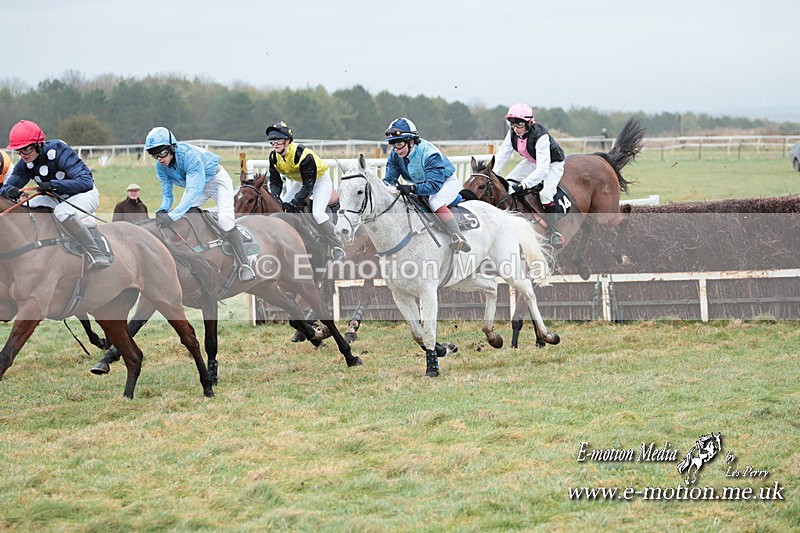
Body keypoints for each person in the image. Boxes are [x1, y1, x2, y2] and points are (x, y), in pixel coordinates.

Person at [144, 126, 255, 282]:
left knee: (225, 220)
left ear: (172, 148)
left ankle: (245, 265)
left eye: (163, 152)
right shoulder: (160, 167)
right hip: (198, 185)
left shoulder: (189, 157)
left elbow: (193, 192)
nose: (160, 158)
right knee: (184, 217)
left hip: (217, 181)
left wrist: (173, 215)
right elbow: (167, 194)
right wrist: (163, 209)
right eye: (155, 155)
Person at [0, 120, 111, 269]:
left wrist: (54, 185)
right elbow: (5, 188)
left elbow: (86, 182)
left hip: (84, 195)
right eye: (18, 151)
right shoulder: (24, 164)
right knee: (27, 206)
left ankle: (96, 253)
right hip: (55, 198)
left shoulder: (59, 151)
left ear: (38, 144)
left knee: (62, 211)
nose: (22, 155)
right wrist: (8, 190)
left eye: (25, 149)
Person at [382, 117, 471, 252]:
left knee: (435, 201)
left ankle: (458, 237)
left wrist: (412, 188)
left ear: (411, 141)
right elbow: (389, 180)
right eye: (392, 145)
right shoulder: (395, 155)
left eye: (399, 144)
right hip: (424, 183)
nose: (396, 150)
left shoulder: (429, 154)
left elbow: (433, 186)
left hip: (445, 183)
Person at [265, 121, 345, 261]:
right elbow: (275, 182)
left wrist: (295, 202)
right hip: (301, 182)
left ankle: (337, 247)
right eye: (272, 141)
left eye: (278, 140)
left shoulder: (302, 154)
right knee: (280, 209)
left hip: (320, 181)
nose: (275, 143)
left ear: (288, 141)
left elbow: (309, 186)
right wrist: (276, 198)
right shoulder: (273, 157)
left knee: (318, 214)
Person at [493, 103, 566, 248]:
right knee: (507, 185)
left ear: (529, 123)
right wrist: (493, 174)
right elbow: (502, 155)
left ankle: (554, 232)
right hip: (532, 162)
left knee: (546, 194)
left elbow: (543, 168)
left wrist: (523, 184)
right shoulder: (512, 132)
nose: (515, 128)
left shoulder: (540, 135)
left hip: (552, 164)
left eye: (519, 124)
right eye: (512, 124)